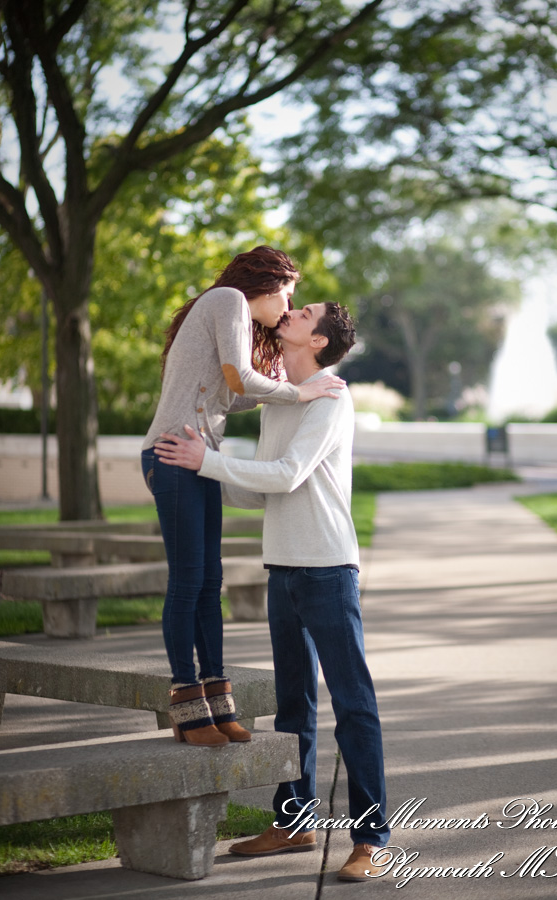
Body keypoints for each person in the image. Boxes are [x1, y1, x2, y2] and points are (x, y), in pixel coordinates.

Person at [154, 301, 389, 881]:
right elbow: (263, 491)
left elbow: (287, 473)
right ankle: (294, 820)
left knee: (353, 704)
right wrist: (194, 470)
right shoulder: (283, 396)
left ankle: (372, 838)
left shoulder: (330, 395)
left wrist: (208, 461)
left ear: (319, 340)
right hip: (282, 569)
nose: (290, 311)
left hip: (328, 568)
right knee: (293, 708)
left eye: (304, 312)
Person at [141, 247, 344, 748]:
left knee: (212, 581)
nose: (288, 306)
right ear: (270, 283)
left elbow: (231, 395)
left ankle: (217, 699)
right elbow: (238, 377)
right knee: (188, 581)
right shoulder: (229, 298)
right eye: (289, 294)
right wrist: (299, 393)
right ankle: (187, 707)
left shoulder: (226, 309)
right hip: (172, 456)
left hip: (196, 457)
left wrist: (295, 390)